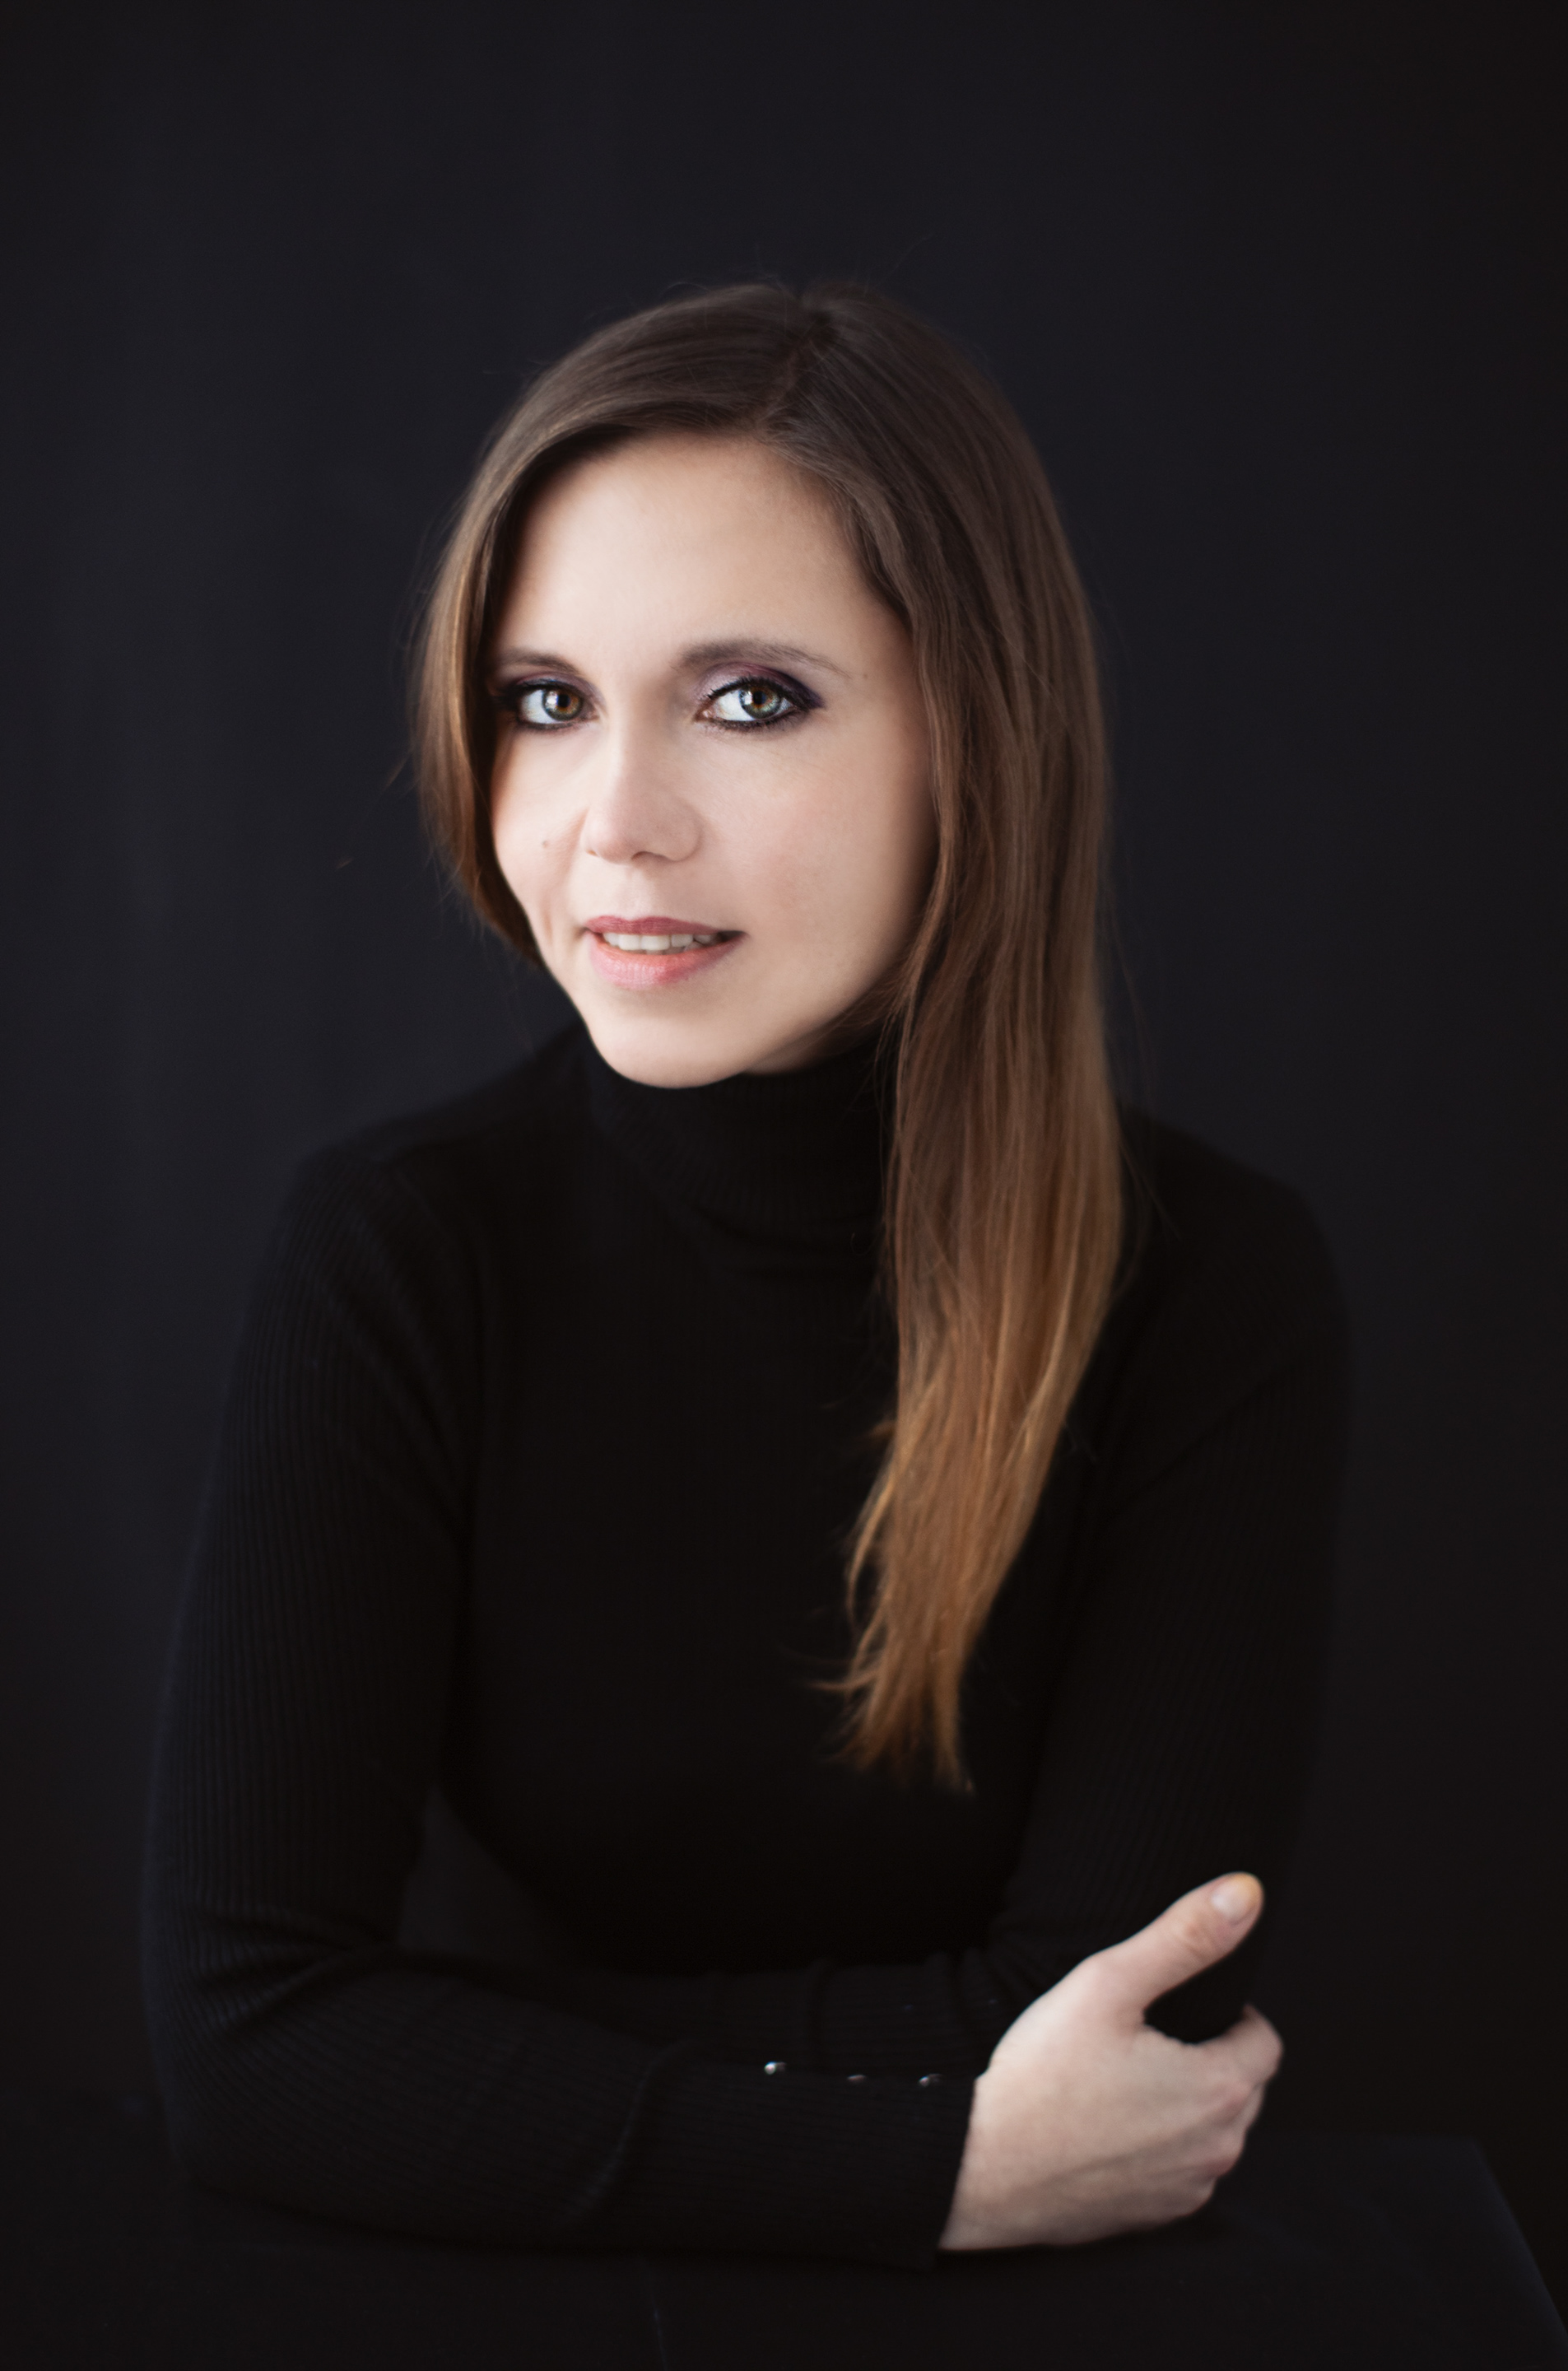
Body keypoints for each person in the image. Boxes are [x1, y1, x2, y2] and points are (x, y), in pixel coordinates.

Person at [142, 282, 1348, 2269]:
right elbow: (250, 2048)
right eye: (546, 702)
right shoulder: (402, 1252)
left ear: (979, 734)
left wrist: (461, 2051)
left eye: (751, 699)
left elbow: (1122, 2039)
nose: (614, 827)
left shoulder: (1204, 1288)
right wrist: (940, 2160)